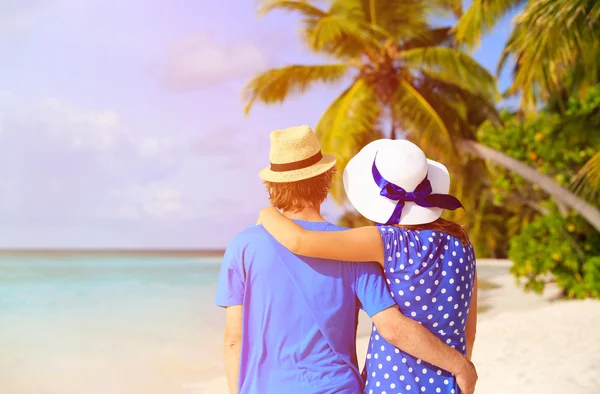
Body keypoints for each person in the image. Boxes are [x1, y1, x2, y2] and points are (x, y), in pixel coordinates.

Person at [215, 126, 477, 394]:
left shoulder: (243, 246)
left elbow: (234, 341)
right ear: (326, 179)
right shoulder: (355, 251)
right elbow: (393, 321)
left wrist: (267, 213)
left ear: (272, 186)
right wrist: (459, 365)